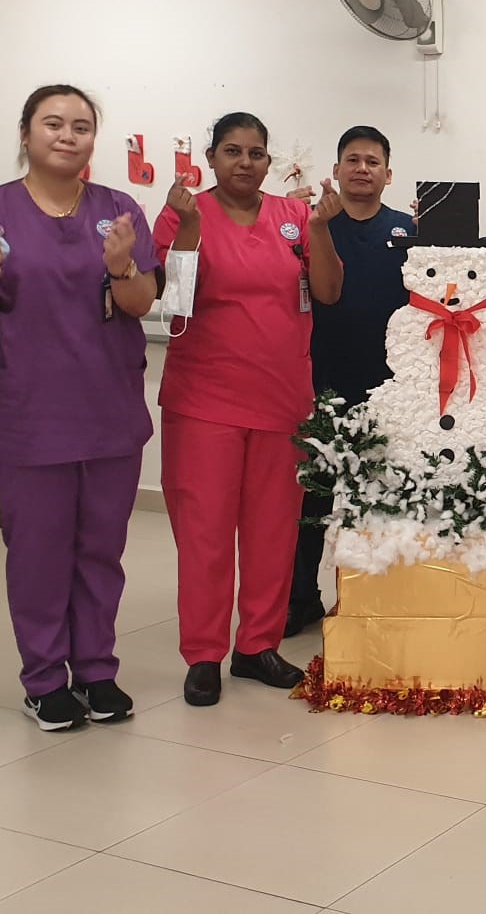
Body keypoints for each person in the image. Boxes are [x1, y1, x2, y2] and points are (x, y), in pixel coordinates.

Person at [0, 84, 160, 731]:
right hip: (28, 415)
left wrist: (123, 267)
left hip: (108, 412)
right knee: (38, 553)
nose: (67, 135)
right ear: (25, 133)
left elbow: (142, 301)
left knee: (100, 550)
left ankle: (96, 670)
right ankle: (43, 680)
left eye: (80, 125)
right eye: (52, 123)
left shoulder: (119, 209)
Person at [153, 112, 344, 706]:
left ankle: (257, 645)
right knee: (205, 532)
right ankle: (204, 654)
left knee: (273, 532)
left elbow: (330, 291)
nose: (245, 162)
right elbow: (174, 302)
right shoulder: (185, 213)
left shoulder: (294, 216)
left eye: (256, 153)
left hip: (283, 401)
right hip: (204, 402)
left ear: (269, 160)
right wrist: (185, 228)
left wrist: (322, 229)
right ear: (210, 158)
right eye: (232, 151)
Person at [287, 125, 415, 637]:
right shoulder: (312, 222)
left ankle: (373, 597)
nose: (362, 169)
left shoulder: (410, 228)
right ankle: (300, 599)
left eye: (373, 161)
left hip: (391, 388)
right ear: (336, 171)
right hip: (320, 378)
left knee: (381, 497)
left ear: (388, 173)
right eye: (353, 160)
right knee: (312, 499)